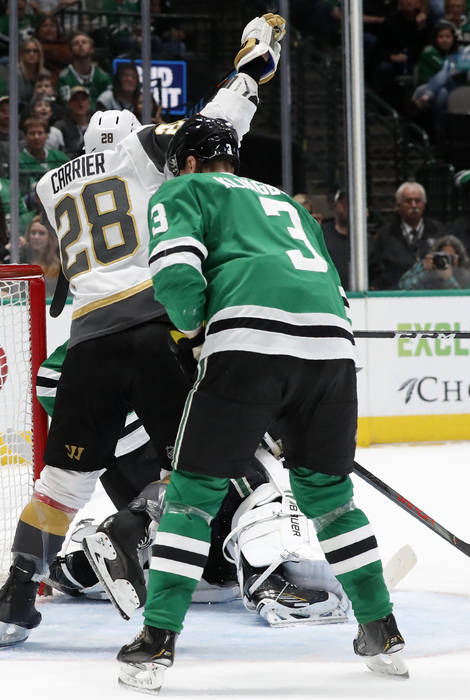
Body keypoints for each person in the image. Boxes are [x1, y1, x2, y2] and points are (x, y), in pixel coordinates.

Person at [0, 13, 288, 650]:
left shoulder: (49, 186)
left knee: (61, 482)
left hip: (89, 343)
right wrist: (252, 66)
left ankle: (18, 592)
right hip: (155, 331)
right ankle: (127, 530)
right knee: (201, 464)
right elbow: (213, 128)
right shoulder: (141, 151)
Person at [118, 115, 406, 692]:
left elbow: (176, 277)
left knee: (192, 497)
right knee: (330, 500)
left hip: (247, 345)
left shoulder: (182, 190)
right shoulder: (292, 205)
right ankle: (382, 631)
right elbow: (331, 285)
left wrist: (197, 334)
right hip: (331, 352)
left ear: (190, 164)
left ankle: (156, 641)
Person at [369, 181, 446, 289]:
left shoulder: (438, 230)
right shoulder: (386, 235)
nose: (414, 205)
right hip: (395, 296)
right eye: (408, 201)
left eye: (417, 201)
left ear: (424, 204)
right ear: (398, 205)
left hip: (432, 295)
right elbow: (375, 271)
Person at [397, 234, 470, 289]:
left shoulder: (468, 276)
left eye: (450, 257)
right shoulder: (425, 266)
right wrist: (425, 273)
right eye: (442, 256)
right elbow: (402, 287)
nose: (445, 261)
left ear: (459, 258)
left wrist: (448, 279)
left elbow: (468, 300)